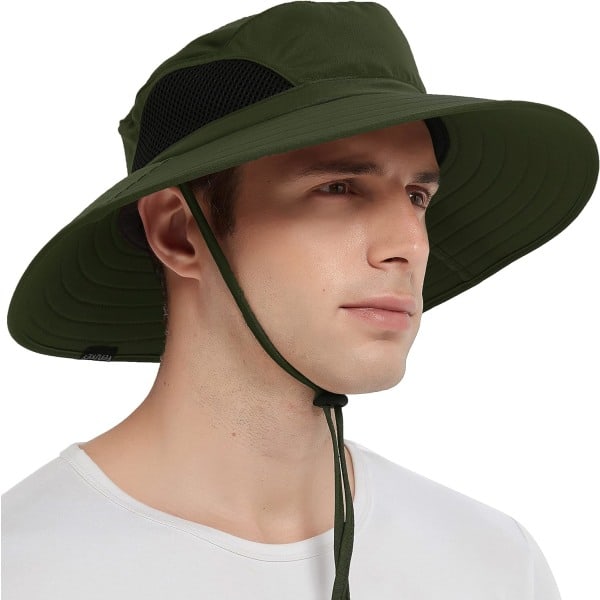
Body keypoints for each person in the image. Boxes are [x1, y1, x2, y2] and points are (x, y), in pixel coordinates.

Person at [2, 2, 597, 599]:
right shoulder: (25, 571)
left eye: (418, 197)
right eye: (339, 188)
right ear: (180, 233)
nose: (410, 246)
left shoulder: (494, 565)